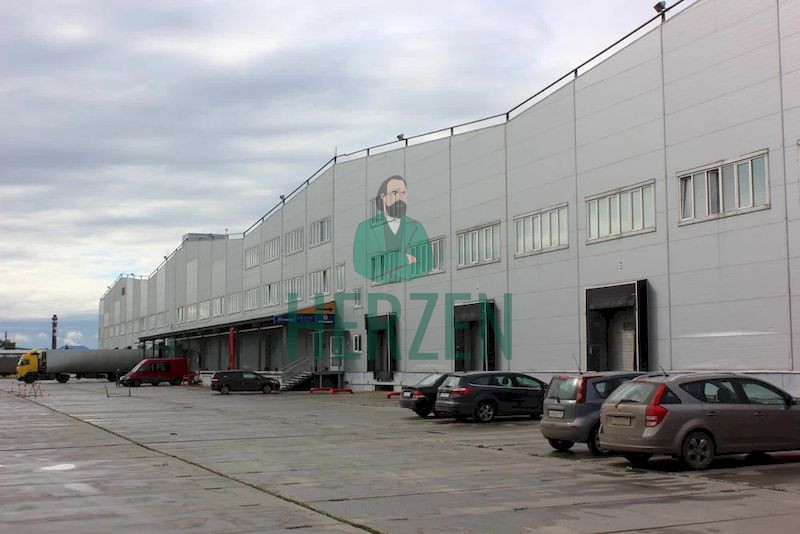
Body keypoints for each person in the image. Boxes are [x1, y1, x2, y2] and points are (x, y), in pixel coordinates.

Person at [353, 175, 432, 283]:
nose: (400, 198)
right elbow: (360, 266)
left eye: (403, 194)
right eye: (395, 193)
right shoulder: (364, 228)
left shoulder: (416, 226)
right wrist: (404, 259)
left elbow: (426, 264)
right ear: (383, 197)